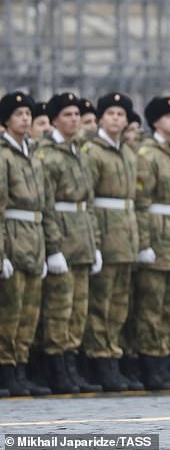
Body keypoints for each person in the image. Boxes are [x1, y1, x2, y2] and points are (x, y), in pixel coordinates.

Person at [36, 92, 102, 394]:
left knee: (78, 308)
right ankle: (56, 364)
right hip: (62, 235)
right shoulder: (47, 156)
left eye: (77, 114)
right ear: (53, 121)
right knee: (59, 308)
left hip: (82, 237)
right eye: (67, 115)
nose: (74, 119)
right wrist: (53, 248)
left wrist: (96, 243)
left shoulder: (81, 153)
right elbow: (46, 206)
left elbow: (89, 204)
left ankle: (72, 361)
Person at [133, 96, 170, 390]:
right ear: (155, 121)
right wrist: (144, 243)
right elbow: (142, 203)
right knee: (152, 305)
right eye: (168, 116)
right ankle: (151, 363)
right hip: (157, 235)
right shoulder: (148, 154)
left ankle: (165, 360)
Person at [82, 92, 140, 392]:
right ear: (101, 118)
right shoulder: (92, 152)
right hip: (105, 233)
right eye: (111, 113)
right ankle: (98, 358)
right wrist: (93, 241)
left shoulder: (129, 153)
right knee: (100, 303)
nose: (116, 119)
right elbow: (88, 198)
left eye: (121, 114)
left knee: (119, 303)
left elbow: (136, 201)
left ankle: (113, 356)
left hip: (126, 235)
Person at [0, 92, 50, 396]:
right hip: (13, 235)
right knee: (10, 309)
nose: (26, 118)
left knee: (29, 310)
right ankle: (7, 368)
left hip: (33, 235)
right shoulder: (4, 155)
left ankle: (21, 364)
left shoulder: (32, 152)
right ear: (6, 120)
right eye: (18, 113)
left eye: (28, 114)